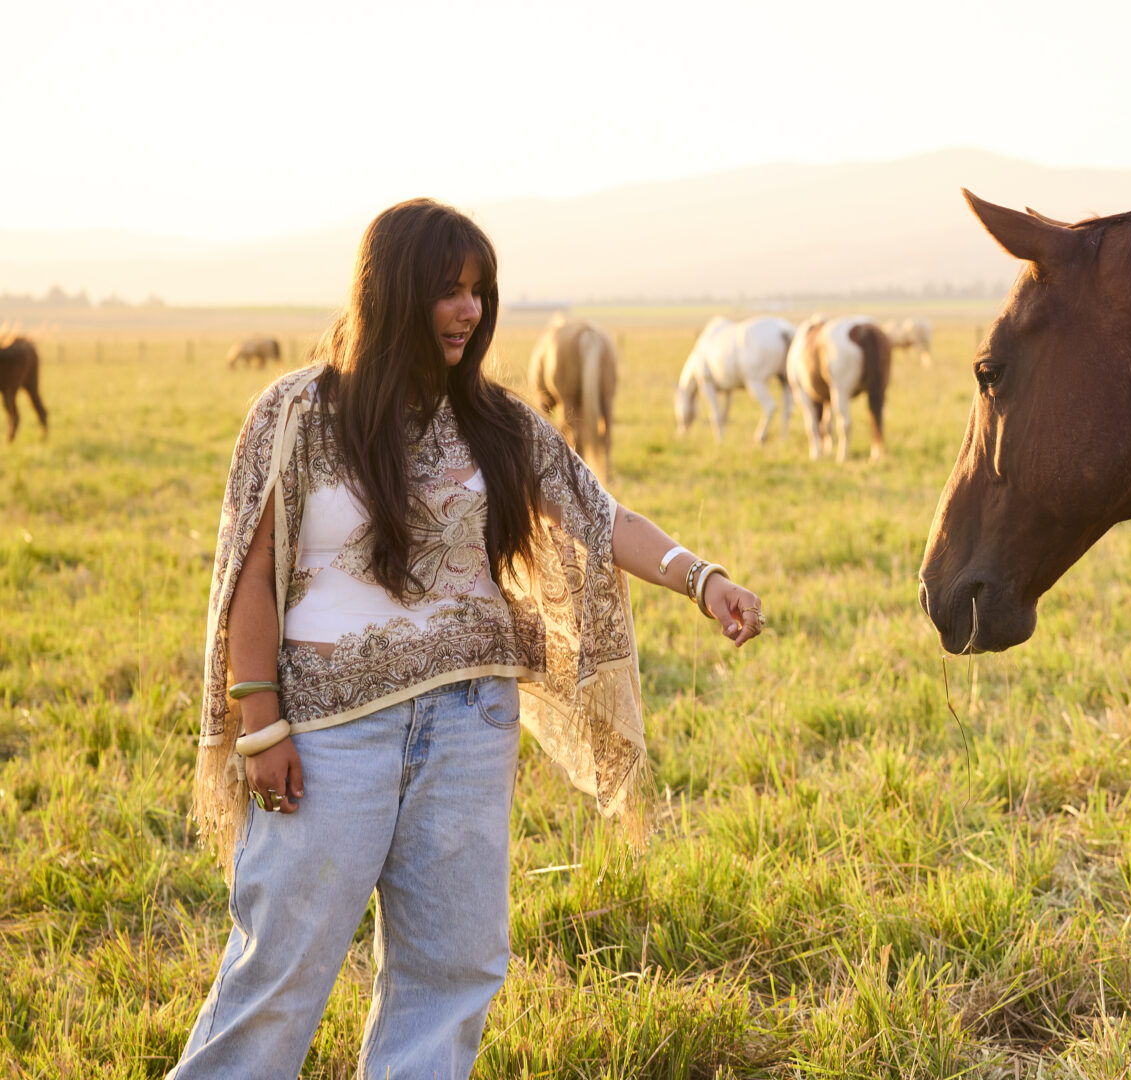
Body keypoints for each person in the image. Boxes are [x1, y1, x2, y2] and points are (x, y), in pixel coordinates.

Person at [168, 198, 764, 1077]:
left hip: (470, 726)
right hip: (332, 736)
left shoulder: (495, 419)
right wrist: (260, 724)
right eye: (449, 290)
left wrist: (702, 578)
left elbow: (598, 516)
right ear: (393, 290)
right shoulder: (295, 412)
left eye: (479, 292)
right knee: (279, 976)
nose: (469, 311)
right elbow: (248, 576)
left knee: (451, 976)